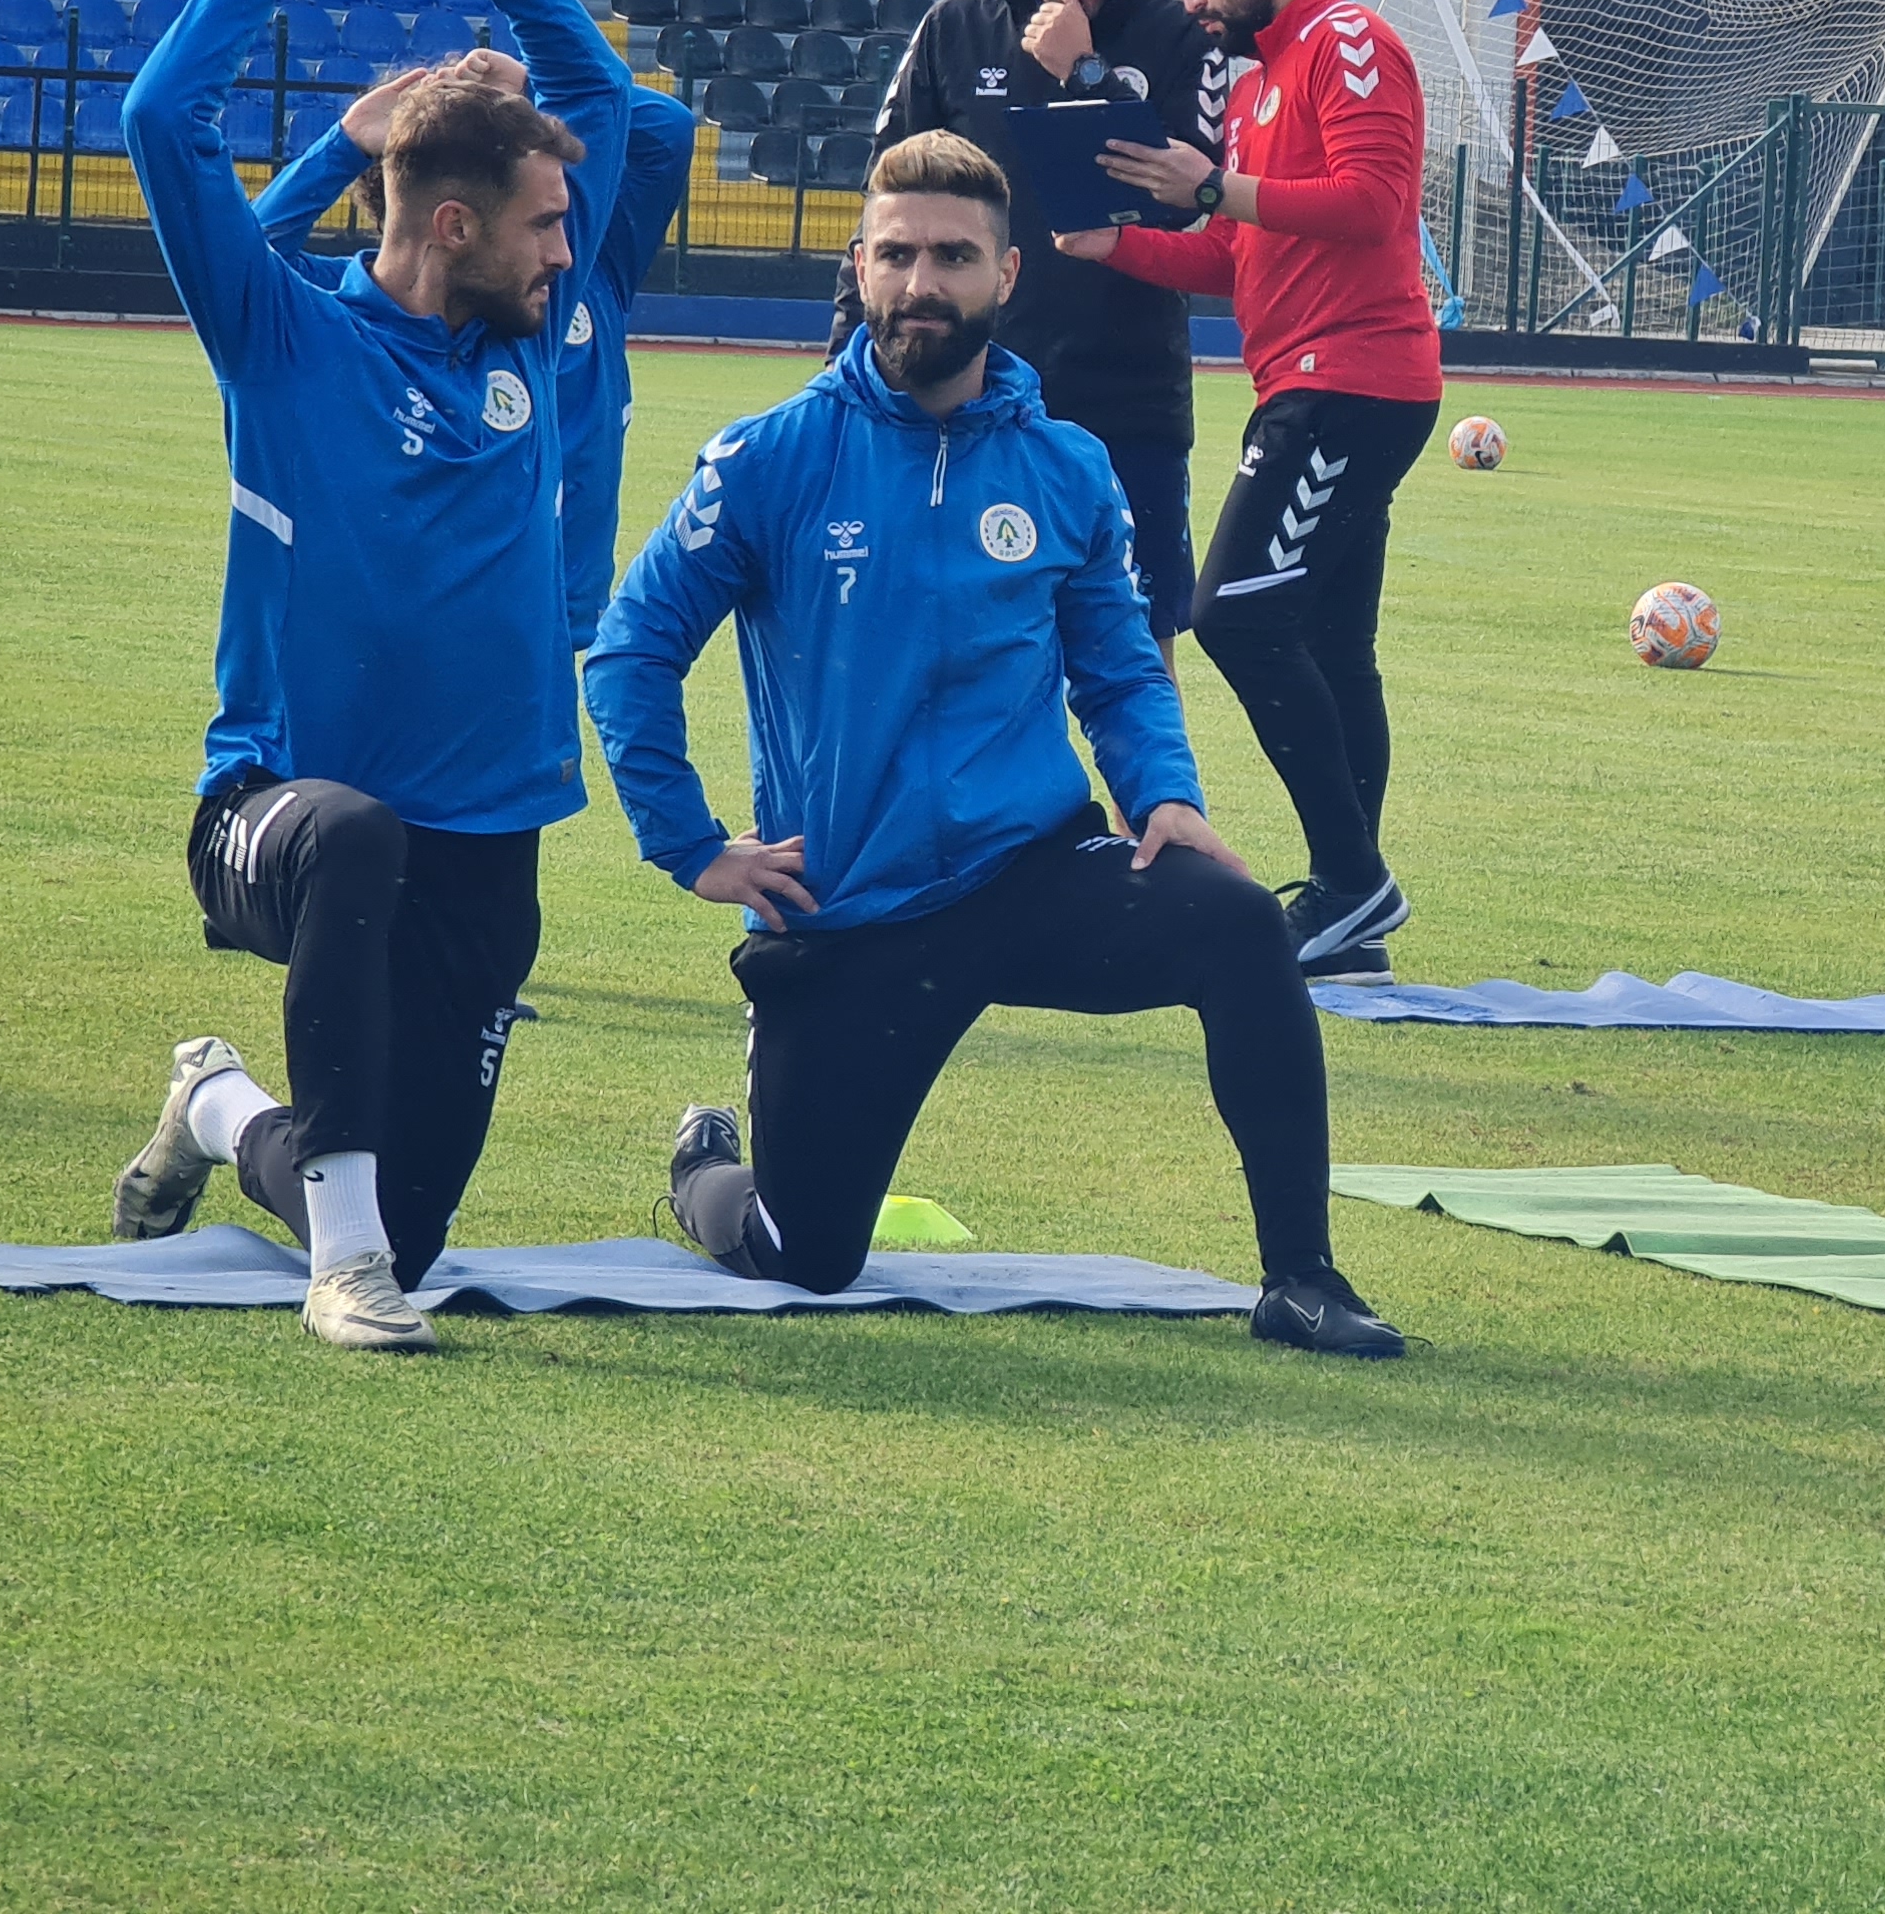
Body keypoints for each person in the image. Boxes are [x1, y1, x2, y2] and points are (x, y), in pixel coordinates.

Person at [582, 128, 1405, 1356]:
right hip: (851, 908)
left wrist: (1162, 795)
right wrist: (691, 847)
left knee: (1238, 926)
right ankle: (709, 1162)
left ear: (1006, 276)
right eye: (899, 255)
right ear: (858, 268)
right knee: (805, 1258)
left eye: (954, 257)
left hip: (1030, 870)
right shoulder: (766, 459)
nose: (924, 283)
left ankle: (1302, 1277)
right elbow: (631, 650)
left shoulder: (1067, 469)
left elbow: (1119, 667)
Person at [105, 0, 633, 1349]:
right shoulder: (283, 342)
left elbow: (598, 105)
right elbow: (163, 120)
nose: (563, 254)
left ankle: (219, 1107)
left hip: (493, 825)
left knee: (417, 1212)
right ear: (456, 229)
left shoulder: (527, 345)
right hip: (274, 809)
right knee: (355, 836)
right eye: (540, 229)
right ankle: (343, 1279)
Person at [1053, 0, 1441, 984]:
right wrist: (1115, 242)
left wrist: (1211, 185)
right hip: (1318, 379)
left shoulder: (1347, 43)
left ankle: (1351, 879)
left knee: (1230, 617)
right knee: (1329, 644)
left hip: (1349, 380)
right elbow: (1239, 253)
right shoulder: (1266, 76)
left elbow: (1373, 204)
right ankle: (1349, 911)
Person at [831, 0, 1229, 651]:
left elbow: (1195, 208)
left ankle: (1156, 786)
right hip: (964, 389)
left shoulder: (1182, 39)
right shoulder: (954, 32)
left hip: (1127, 394)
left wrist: (1083, 72)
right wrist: (844, 355)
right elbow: (882, 210)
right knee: (950, 631)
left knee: (1138, 646)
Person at [258, 50, 702, 640]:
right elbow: (250, 261)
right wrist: (347, 143)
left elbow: (666, 133)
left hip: (559, 606)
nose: (558, 246)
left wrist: (528, 90)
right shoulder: (351, 304)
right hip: (430, 608)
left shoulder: (582, 274)